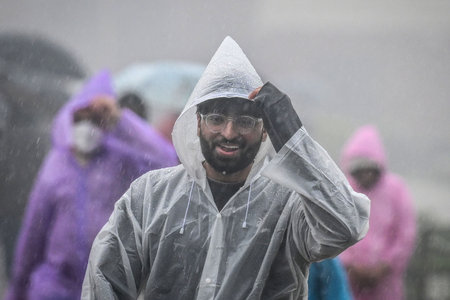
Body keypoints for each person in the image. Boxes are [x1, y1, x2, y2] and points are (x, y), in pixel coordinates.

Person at [81, 36, 370, 300]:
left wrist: (295, 139)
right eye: (217, 118)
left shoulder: (290, 206)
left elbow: (346, 225)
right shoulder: (151, 197)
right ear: (197, 123)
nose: (229, 133)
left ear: (266, 130)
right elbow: (104, 281)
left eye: (245, 121)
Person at [5, 71, 178, 300]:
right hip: (55, 287)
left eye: (96, 119)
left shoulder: (121, 161)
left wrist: (121, 121)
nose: (87, 126)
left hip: (106, 285)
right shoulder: (57, 164)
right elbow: (33, 232)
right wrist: (18, 289)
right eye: (81, 117)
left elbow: (166, 160)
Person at [339, 125, 416, 300]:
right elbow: (334, 230)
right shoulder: (344, 190)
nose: (364, 174)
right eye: (359, 168)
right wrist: (349, 265)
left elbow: (405, 234)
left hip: (386, 285)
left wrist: (385, 266)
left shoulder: (396, 191)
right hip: (349, 283)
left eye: (368, 168)